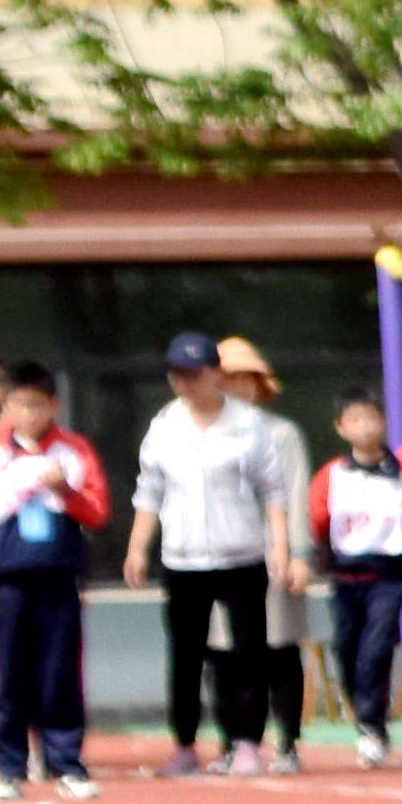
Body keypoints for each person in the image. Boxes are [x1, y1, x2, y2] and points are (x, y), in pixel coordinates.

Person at [125, 330, 301, 772]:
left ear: (215, 374)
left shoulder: (247, 424)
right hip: (183, 558)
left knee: (248, 653)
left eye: (194, 374)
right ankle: (185, 743)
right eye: (176, 375)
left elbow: (272, 489)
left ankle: (245, 742)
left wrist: (280, 545)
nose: (185, 383)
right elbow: (149, 492)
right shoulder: (165, 425)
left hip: (241, 554)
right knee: (185, 655)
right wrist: (136, 548)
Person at [0, 360, 109, 796]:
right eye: (18, 405)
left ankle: (65, 762)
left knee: (59, 670)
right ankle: (7, 766)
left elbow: (98, 512)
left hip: (58, 575)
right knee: (8, 673)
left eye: (37, 405)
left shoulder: (74, 450)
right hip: (7, 577)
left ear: (53, 405)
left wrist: (64, 490)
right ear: (5, 405)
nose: (28, 414)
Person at [312, 398, 402, 760]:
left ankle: (374, 727)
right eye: (354, 420)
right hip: (346, 575)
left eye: (371, 418)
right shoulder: (332, 474)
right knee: (347, 648)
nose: (364, 427)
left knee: (376, 649)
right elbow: (317, 517)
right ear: (340, 428)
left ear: (385, 422)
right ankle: (365, 720)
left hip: (388, 574)